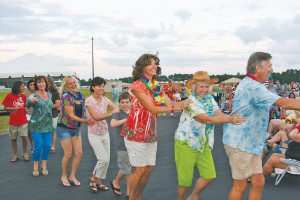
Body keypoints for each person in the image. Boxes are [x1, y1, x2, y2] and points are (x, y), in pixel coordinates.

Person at [222, 52, 300, 200]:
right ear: (258, 68)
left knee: (258, 182)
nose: (271, 69)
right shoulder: (253, 87)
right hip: (241, 143)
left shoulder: (255, 85)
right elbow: (283, 103)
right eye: (269, 65)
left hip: (251, 143)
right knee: (240, 184)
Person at [120, 53, 191, 200]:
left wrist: (185, 103)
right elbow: (152, 108)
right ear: (141, 67)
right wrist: (177, 108)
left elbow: (169, 104)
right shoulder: (137, 86)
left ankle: (138, 196)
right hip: (136, 131)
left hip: (150, 131)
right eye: (149, 63)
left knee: (148, 169)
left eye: (155, 63)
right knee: (139, 169)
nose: (154, 65)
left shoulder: (155, 86)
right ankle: (131, 197)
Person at [174, 71, 245, 200]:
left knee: (209, 175)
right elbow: (206, 119)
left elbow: (219, 114)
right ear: (194, 87)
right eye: (201, 86)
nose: (205, 90)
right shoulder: (190, 102)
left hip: (203, 142)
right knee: (185, 181)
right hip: (186, 143)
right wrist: (229, 120)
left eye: (207, 87)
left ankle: (193, 197)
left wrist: (237, 120)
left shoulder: (210, 98)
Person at [56, 75, 93, 187]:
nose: (73, 85)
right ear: (66, 86)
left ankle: (72, 176)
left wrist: (95, 116)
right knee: (68, 154)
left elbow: (84, 110)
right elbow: (71, 115)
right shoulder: (66, 96)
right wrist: (86, 121)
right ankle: (63, 175)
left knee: (79, 153)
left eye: (74, 82)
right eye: (70, 84)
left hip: (76, 128)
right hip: (64, 127)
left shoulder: (80, 95)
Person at [85, 77, 119, 192]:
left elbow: (117, 109)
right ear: (93, 87)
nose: (102, 88)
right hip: (94, 134)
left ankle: (98, 181)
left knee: (106, 160)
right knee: (103, 159)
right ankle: (93, 179)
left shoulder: (105, 99)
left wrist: (126, 107)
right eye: (99, 86)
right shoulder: (89, 101)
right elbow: (95, 117)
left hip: (105, 133)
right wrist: (110, 115)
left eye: (103, 86)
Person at [27, 75, 53, 176]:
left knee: (47, 146)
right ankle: (35, 167)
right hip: (36, 125)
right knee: (38, 146)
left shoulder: (50, 95)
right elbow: (27, 105)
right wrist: (30, 101)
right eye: (39, 82)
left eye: (42, 82)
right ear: (36, 85)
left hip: (48, 125)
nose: (41, 84)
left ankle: (44, 165)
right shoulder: (33, 96)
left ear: (46, 83)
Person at [110, 92, 132, 197]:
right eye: (122, 102)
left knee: (128, 169)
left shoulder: (133, 112)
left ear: (130, 102)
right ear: (119, 103)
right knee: (127, 169)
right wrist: (125, 120)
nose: (125, 104)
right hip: (122, 144)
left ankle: (116, 181)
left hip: (133, 145)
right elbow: (112, 124)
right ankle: (129, 193)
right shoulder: (117, 112)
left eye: (127, 102)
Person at [2, 81, 29, 162]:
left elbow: (24, 107)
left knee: (24, 136)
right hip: (13, 121)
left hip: (23, 120)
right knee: (13, 138)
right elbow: (5, 108)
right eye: (22, 86)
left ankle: (25, 153)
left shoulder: (24, 96)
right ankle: (15, 154)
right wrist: (13, 108)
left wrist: (25, 110)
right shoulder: (9, 96)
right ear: (17, 87)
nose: (24, 88)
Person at [47, 77, 60, 154]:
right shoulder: (41, 92)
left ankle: (52, 146)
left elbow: (57, 104)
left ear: (51, 83)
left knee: (53, 131)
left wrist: (46, 107)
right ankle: (46, 145)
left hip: (53, 114)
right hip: (43, 115)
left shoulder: (55, 92)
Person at [26, 79, 35, 154]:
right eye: (30, 85)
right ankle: (32, 145)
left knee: (37, 130)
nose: (32, 86)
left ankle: (38, 145)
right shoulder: (26, 94)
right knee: (29, 131)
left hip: (37, 114)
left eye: (33, 84)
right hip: (28, 114)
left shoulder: (38, 93)